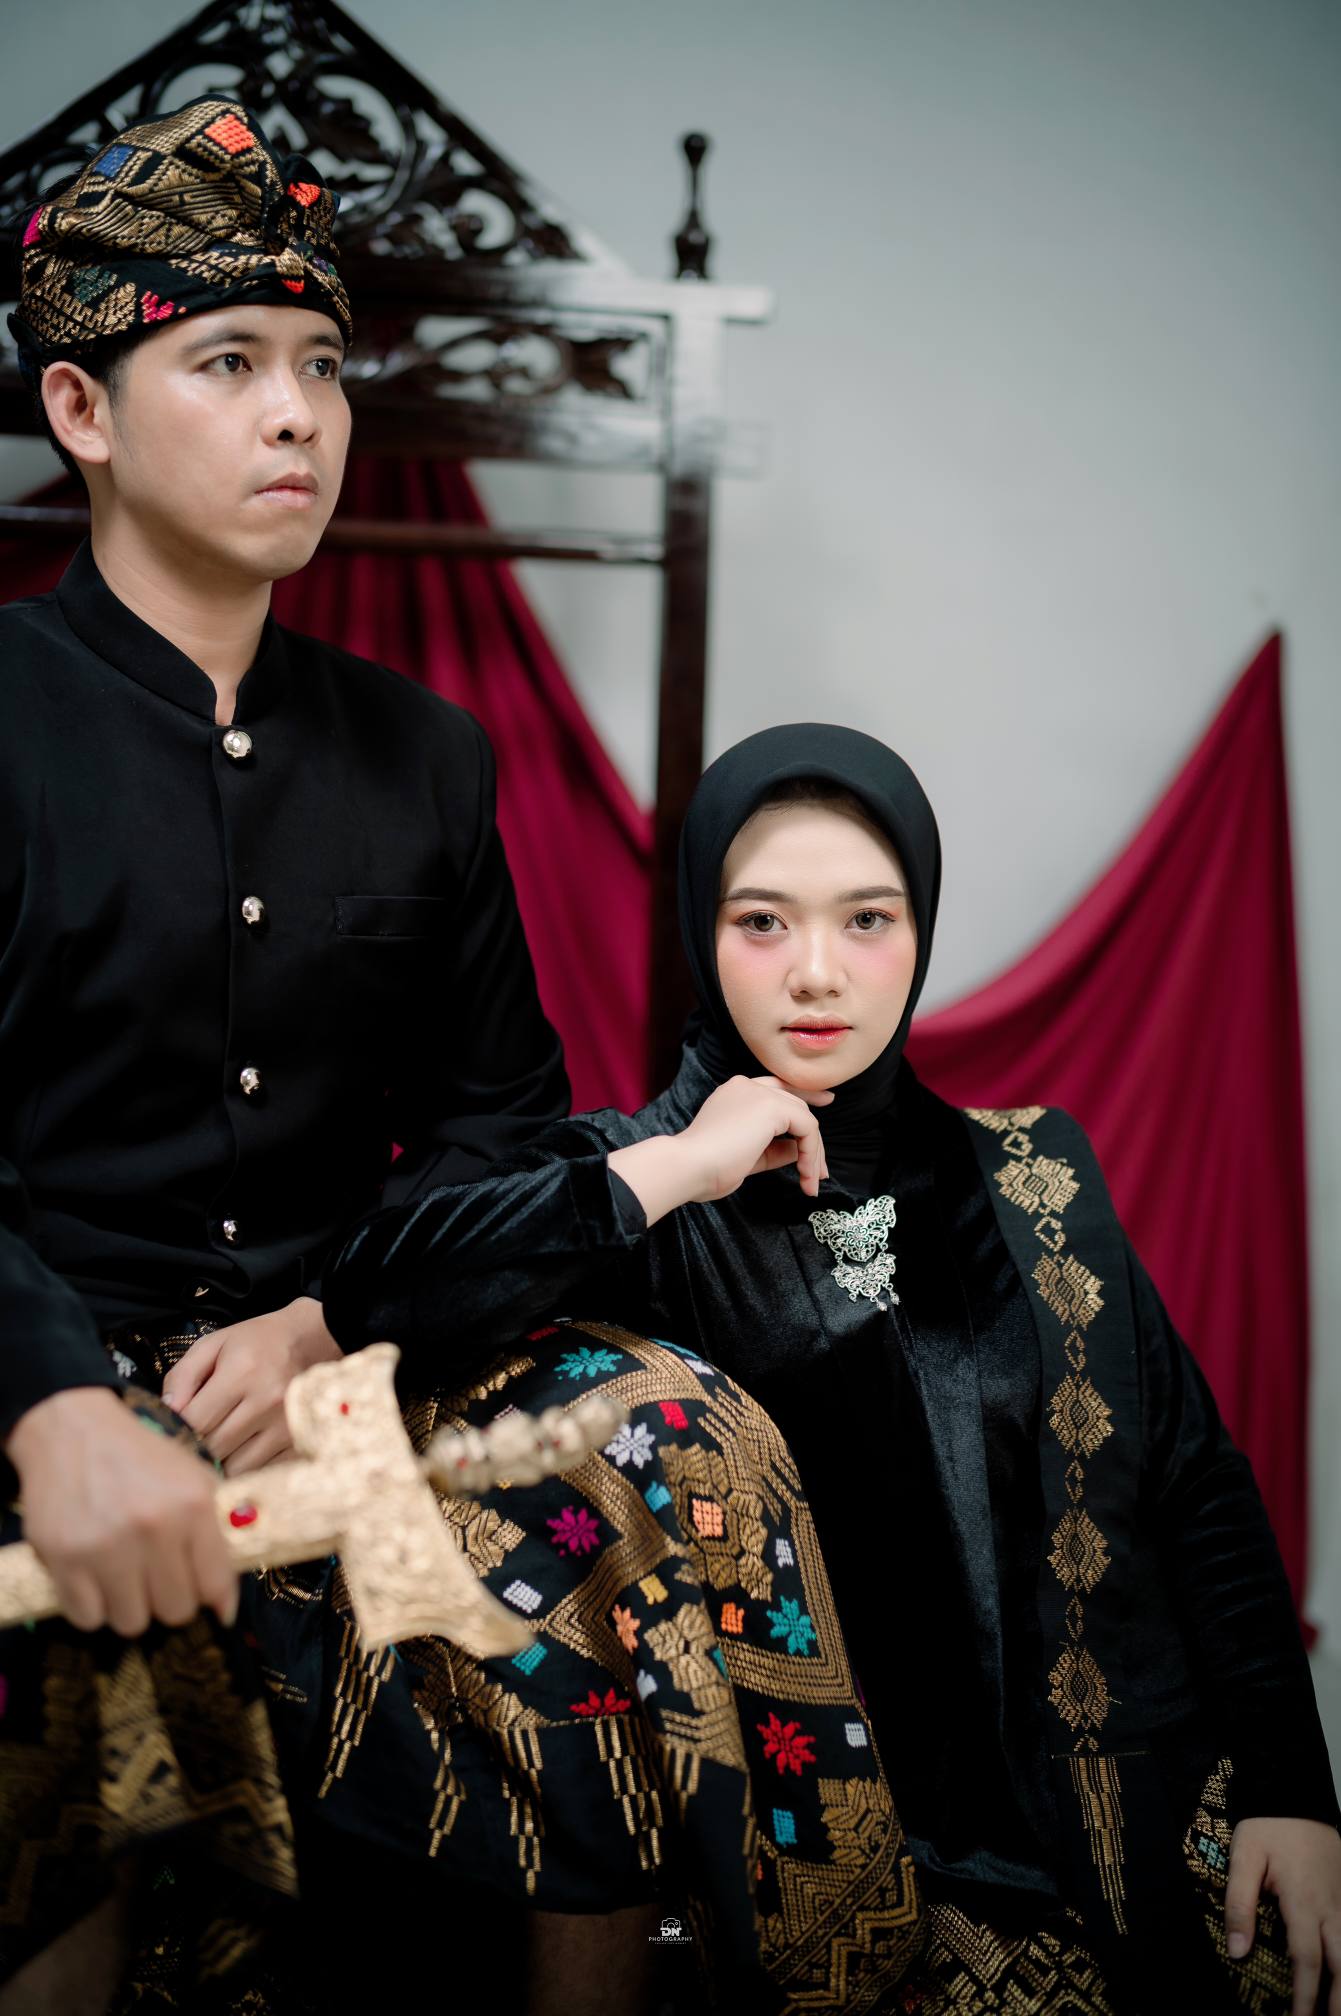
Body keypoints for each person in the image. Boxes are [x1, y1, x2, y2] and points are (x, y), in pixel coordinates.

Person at [326, 722, 1341, 2014]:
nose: (817, 974)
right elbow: (377, 1293)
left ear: (920, 934)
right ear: (700, 932)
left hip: (1109, 1820)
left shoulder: (1028, 1184)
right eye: (762, 922)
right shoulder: (630, 1197)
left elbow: (1196, 1489)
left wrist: (1294, 1792)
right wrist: (680, 1168)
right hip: (814, 1888)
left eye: (868, 920)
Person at [0, 96, 569, 2010]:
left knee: (661, 1472)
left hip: (342, 1380)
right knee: (84, 1674)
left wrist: (339, 1321)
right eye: (228, 362)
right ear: (81, 412)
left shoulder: (426, 755)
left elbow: (506, 1133)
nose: (298, 417)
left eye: (321, 366)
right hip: (40, 1381)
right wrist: (53, 1403)